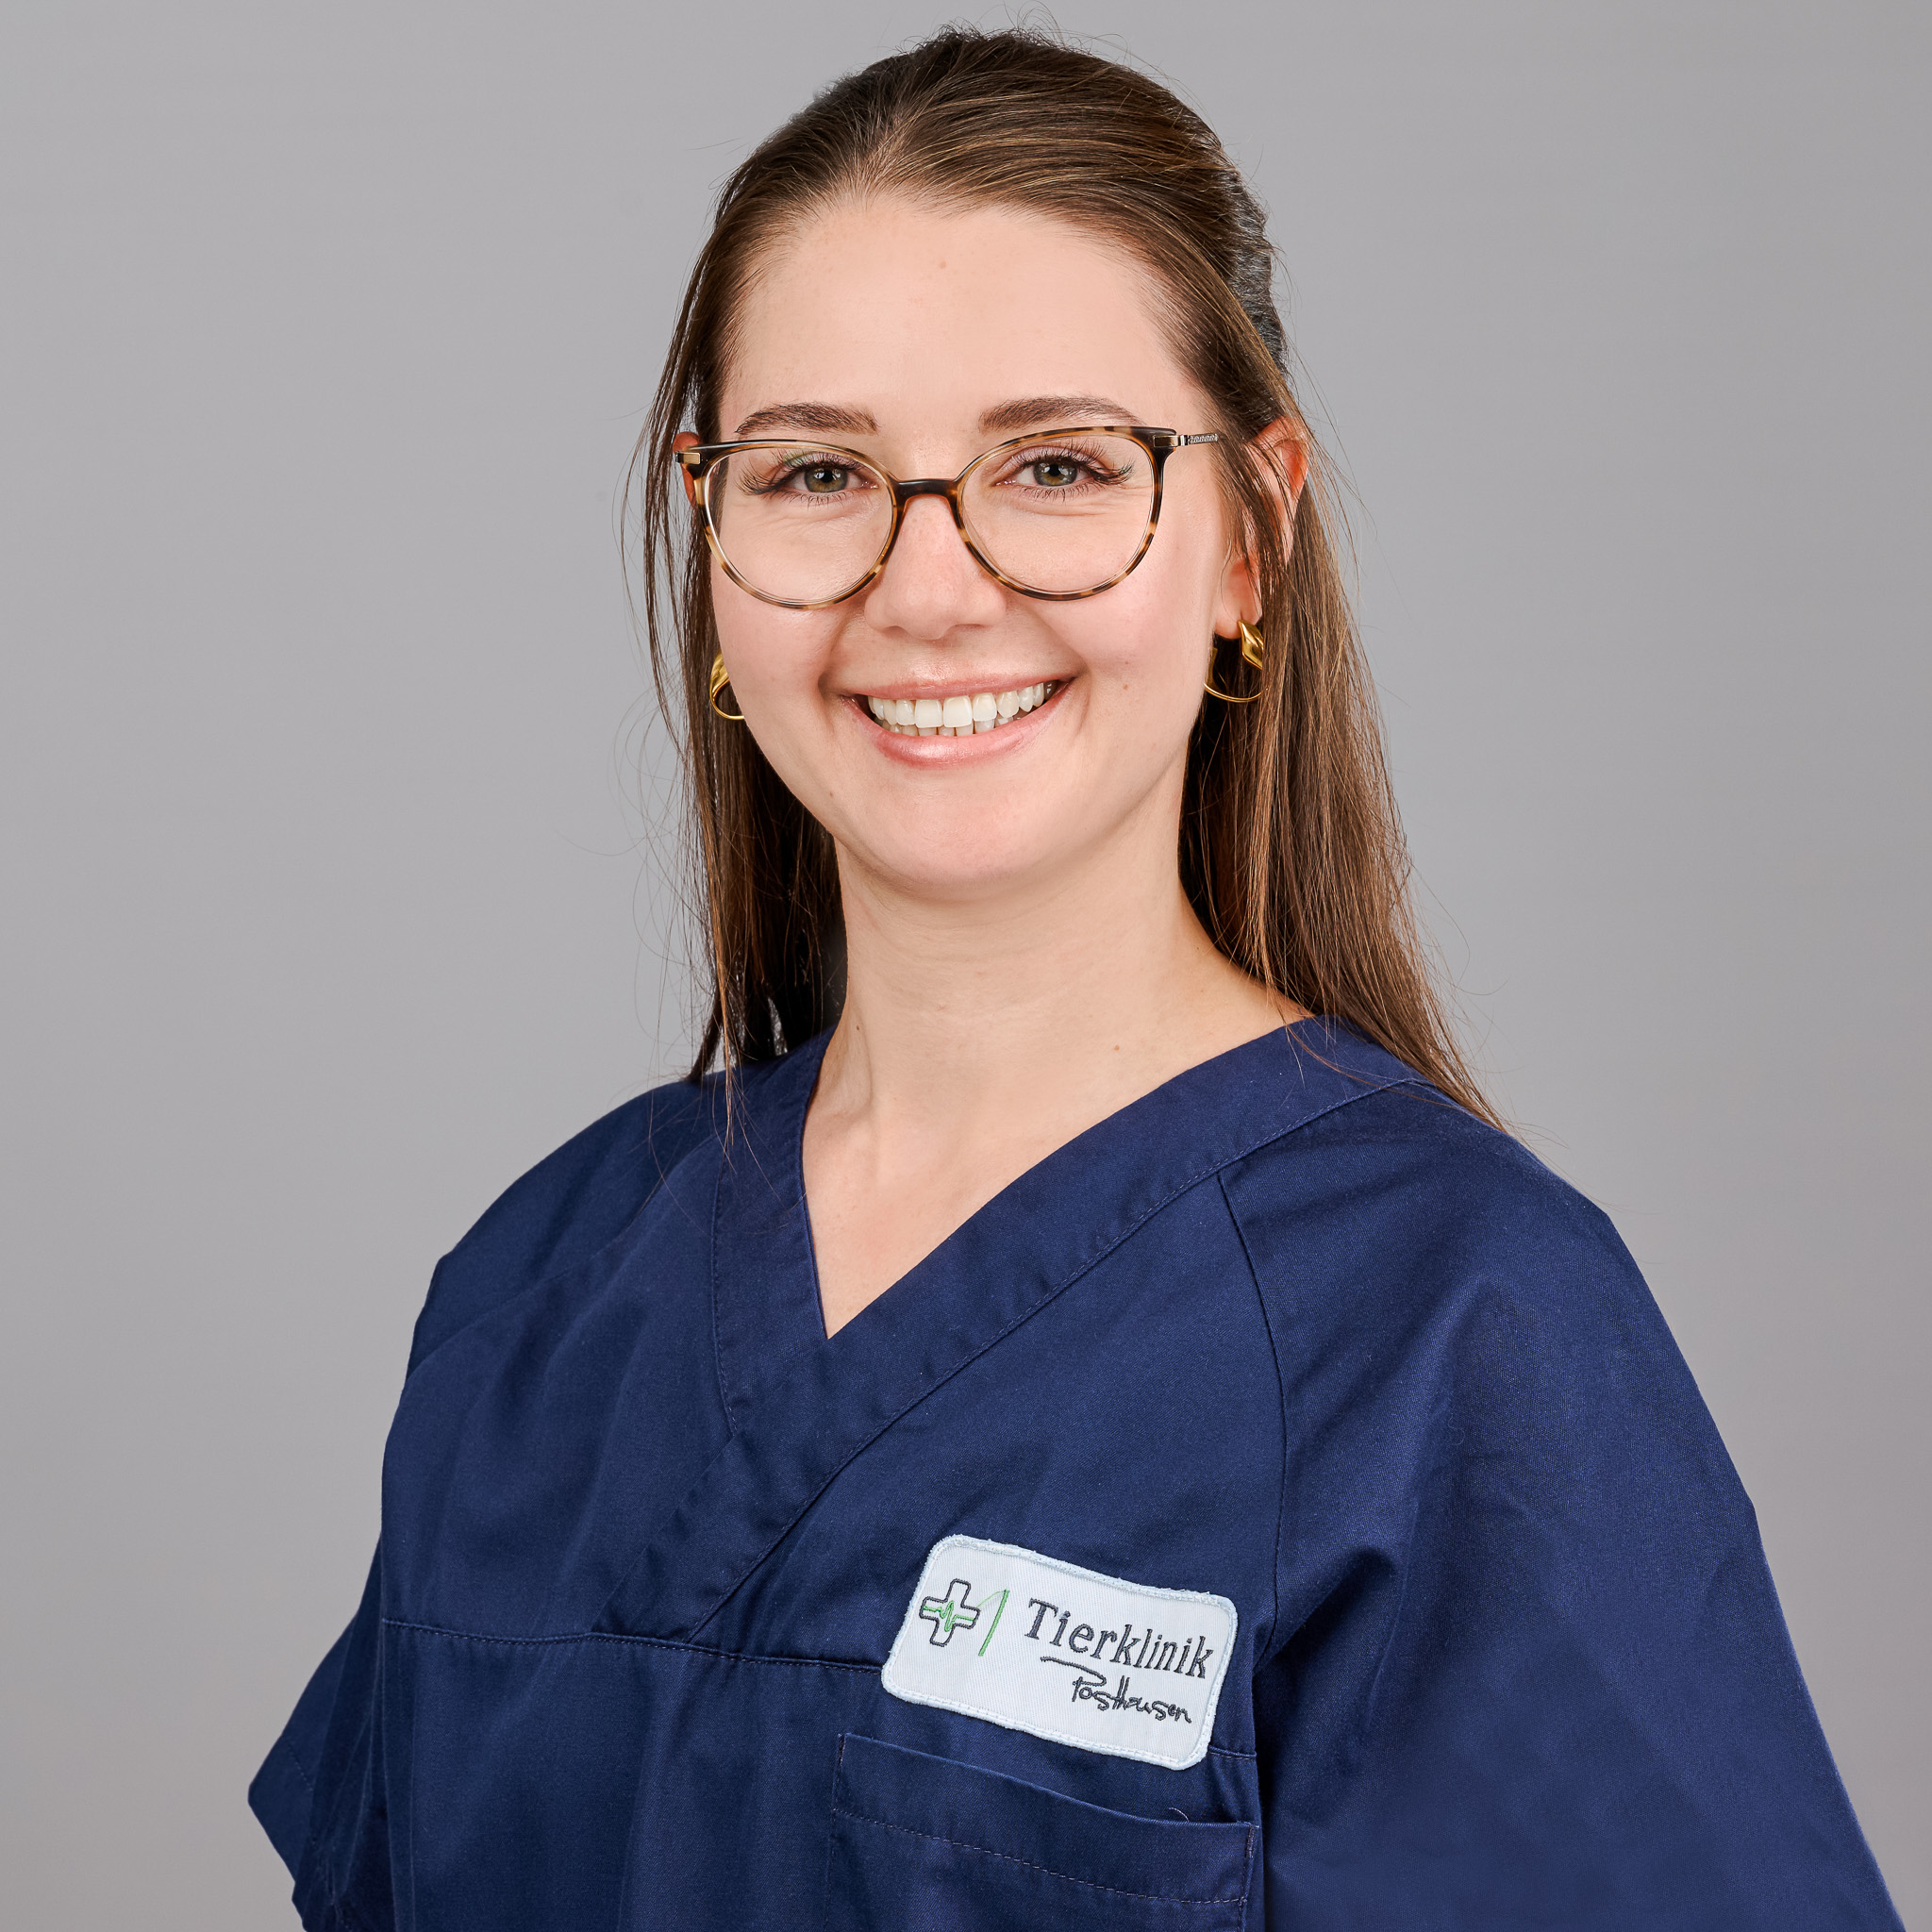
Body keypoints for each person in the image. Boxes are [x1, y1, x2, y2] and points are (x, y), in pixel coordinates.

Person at [250, 28, 1901, 1930]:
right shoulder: (542, 1292)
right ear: (715, 541)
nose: (928, 587)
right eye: (815, 471)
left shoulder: (1455, 1333)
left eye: (1055, 465)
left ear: (1249, 539)